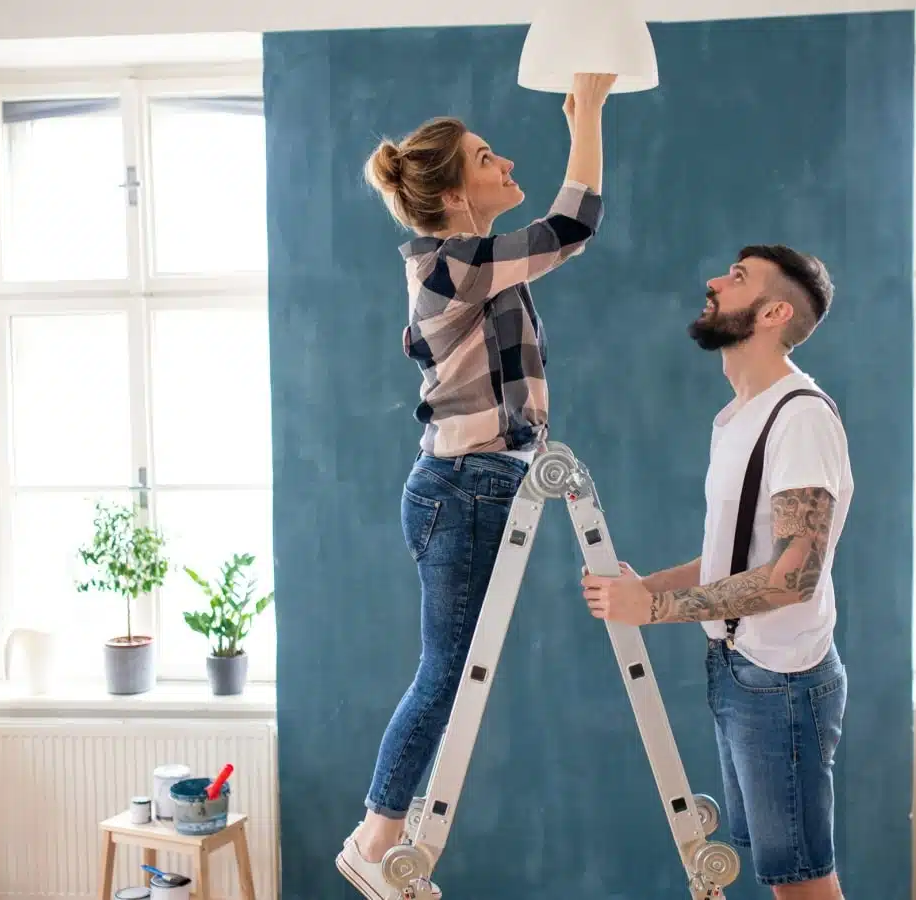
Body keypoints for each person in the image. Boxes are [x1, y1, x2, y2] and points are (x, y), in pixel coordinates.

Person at [335, 71, 619, 900]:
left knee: (454, 670)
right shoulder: (450, 265)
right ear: (456, 194)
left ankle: (385, 839)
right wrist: (589, 114)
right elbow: (573, 224)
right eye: (488, 158)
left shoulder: (479, 267)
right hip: (462, 488)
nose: (506, 163)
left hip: (479, 483)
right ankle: (376, 839)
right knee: (446, 672)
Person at [580, 245, 852, 900]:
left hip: (781, 683)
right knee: (784, 877)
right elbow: (738, 557)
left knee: (802, 886)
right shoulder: (739, 417)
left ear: (774, 312)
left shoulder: (800, 417)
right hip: (739, 671)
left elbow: (793, 577)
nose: (713, 281)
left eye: (737, 278)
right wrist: (649, 588)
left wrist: (654, 611)